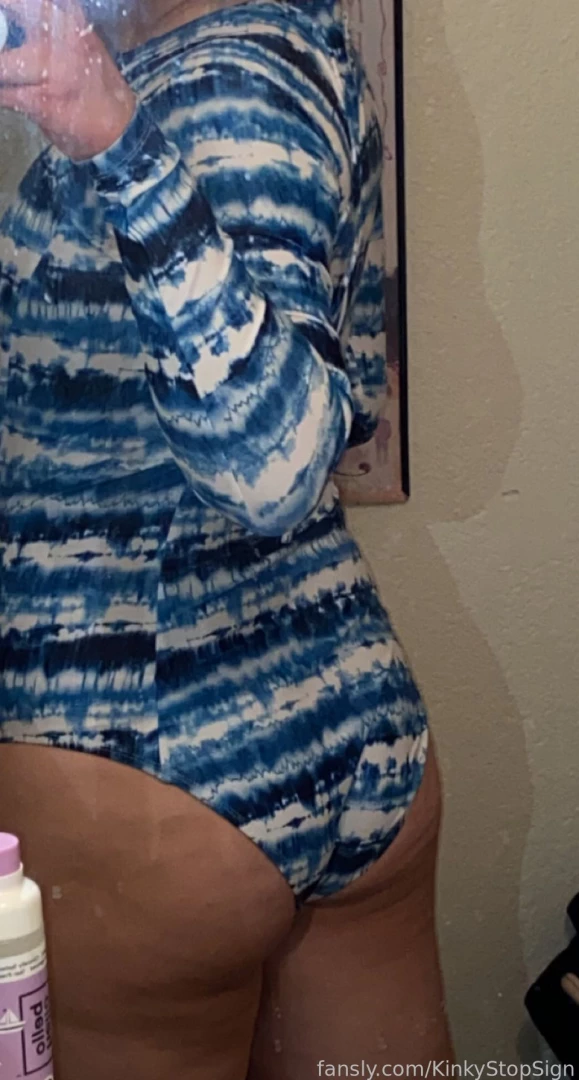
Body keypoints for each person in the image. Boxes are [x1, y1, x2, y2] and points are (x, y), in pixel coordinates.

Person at [0, 0, 453, 1075]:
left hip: (137, 759)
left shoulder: (222, 77)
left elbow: (277, 457)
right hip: (335, 710)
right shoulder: (285, 52)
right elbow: (353, 397)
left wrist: (116, 137)